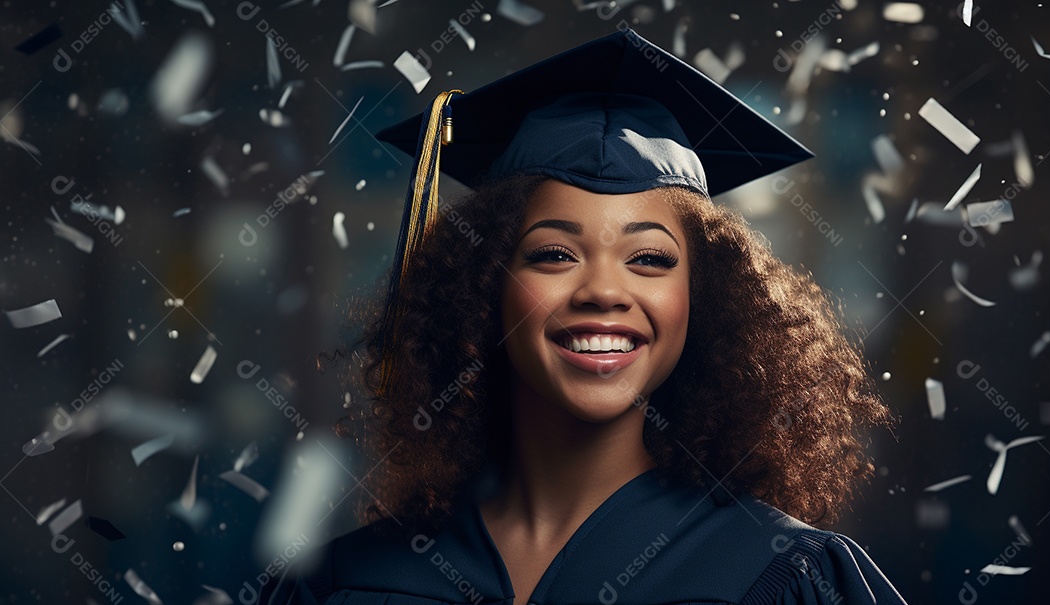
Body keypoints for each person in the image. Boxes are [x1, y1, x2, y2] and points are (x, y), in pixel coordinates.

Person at [259, 28, 907, 605]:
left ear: (703, 299)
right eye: (554, 254)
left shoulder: (781, 577)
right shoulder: (350, 581)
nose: (603, 289)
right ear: (485, 287)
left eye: (649, 258)